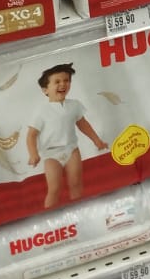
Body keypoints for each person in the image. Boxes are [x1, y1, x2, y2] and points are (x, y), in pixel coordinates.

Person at [26, 64, 107, 211]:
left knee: (76, 183)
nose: (63, 84)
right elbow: (31, 135)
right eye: (57, 82)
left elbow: (83, 125)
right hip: (51, 154)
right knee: (54, 188)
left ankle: (79, 210)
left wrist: (97, 141)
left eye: (66, 80)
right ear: (45, 90)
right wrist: (33, 154)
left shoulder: (74, 105)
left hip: (71, 149)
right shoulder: (42, 110)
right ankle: (49, 214)